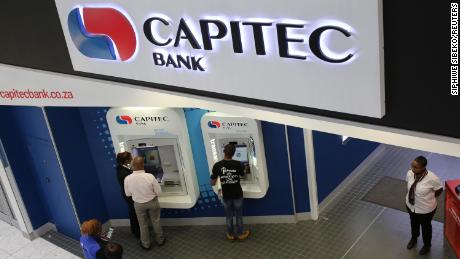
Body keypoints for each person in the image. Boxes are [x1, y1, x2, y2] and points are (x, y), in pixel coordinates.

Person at [211, 144, 250, 241]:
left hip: (226, 195)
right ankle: (240, 234)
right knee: (238, 216)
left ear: (224, 151)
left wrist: (220, 176)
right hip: (237, 194)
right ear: (233, 153)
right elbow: (244, 175)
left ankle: (231, 235)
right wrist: (245, 169)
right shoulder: (238, 164)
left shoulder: (217, 165)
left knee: (229, 216)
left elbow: (212, 183)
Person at [124, 156, 165, 250]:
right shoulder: (150, 176)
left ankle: (146, 244)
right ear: (143, 165)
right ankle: (160, 240)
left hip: (138, 204)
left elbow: (128, 194)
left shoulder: (127, 178)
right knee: (156, 221)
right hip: (152, 202)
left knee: (142, 225)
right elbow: (159, 192)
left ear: (132, 165)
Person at [405, 156, 443, 255]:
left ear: (423, 167)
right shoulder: (410, 173)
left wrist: (428, 199)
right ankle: (414, 238)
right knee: (413, 223)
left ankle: (427, 245)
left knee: (426, 228)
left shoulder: (432, 178)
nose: (412, 168)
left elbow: (439, 190)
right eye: (412, 165)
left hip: (426, 210)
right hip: (411, 206)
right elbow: (409, 187)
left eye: (415, 167)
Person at [116, 151, 140, 238]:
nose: (132, 159)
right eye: (130, 158)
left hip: (129, 195)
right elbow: (131, 185)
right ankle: (137, 233)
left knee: (133, 213)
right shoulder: (124, 173)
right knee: (134, 214)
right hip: (130, 197)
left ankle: (136, 230)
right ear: (126, 161)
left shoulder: (121, 168)